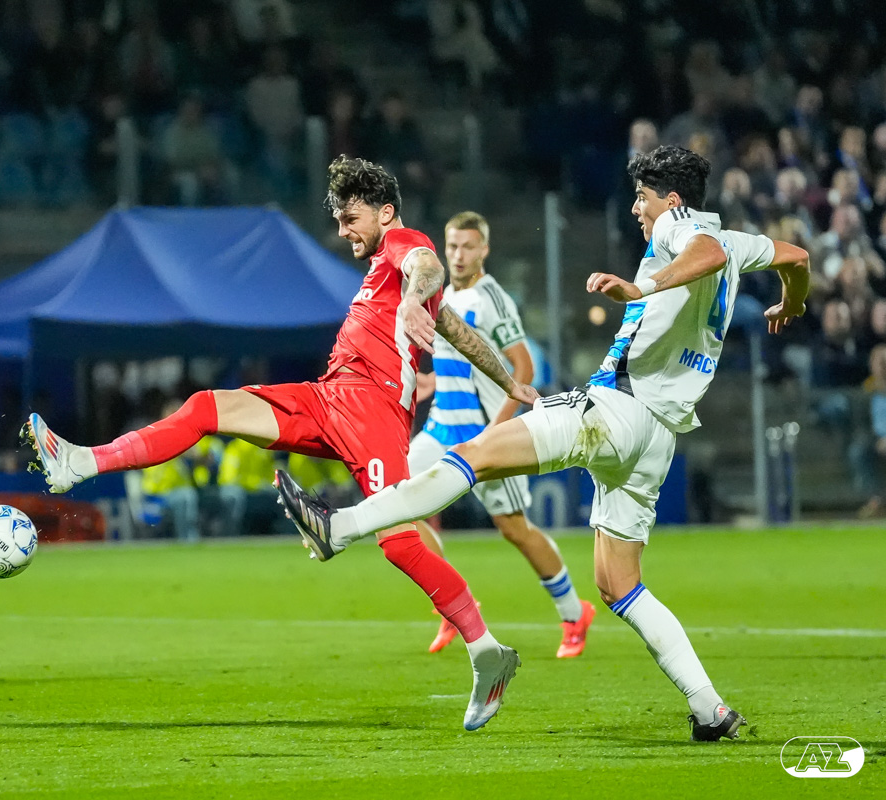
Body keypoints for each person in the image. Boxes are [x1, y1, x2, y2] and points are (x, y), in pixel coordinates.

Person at [274, 145, 811, 742]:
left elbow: (704, 253)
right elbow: (796, 256)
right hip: (658, 436)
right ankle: (710, 709)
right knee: (619, 585)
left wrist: (644, 286)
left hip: (614, 409)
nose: (637, 209)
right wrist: (793, 298)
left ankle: (340, 527)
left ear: (673, 199)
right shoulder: (737, 240)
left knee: (475, 455)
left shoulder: (682, 228)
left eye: (642, 198)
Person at [24, 154, 540, 731]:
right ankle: (80, 462)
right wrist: (508, 380)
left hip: (372, 413)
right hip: (328, 397)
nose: (343, 231)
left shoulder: (406, 245)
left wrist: (420, 298)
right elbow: (460, 332)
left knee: (399, 543)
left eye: (350, 219)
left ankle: (487, 651)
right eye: (339, 220)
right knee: (206, 407)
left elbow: (428, 266)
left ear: (385, 213)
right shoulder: (386, 274)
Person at [413, 211, 594, 657]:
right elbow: (460, 362)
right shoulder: (442, 294)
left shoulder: (493, 299)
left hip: (483, 436)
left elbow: (523, 368)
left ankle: (574, 613)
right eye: (452, 246)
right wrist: (431, 382)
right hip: (441, 428)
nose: (458, 255)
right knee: (396, 500)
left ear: (484, 250)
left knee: (514, 529)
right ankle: (454, 603)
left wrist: (496, 433)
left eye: (468, 247)